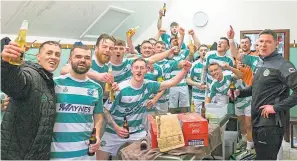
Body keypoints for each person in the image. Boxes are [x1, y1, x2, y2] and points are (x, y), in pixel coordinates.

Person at [97, 58, 192, 159]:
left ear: (146, 70)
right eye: (136, 67)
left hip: (137, 132)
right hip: (113, 132)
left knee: (146, 156)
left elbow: (172, 82)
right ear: (131, 70)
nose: (139, 70)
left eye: (142, 68)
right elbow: (105, 110)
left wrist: (185, 70)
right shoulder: (120, 89)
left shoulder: (149, 85)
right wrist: (116, 127)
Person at [229, 28, 297, 160]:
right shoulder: (260, 63)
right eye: (261, 41)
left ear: (276, 44)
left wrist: (275, 107)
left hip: (270, 123)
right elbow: (256, 88)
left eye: (268, 42)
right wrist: (239, 93)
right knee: (261, 156)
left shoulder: (283, 65)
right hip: (257, 119)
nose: (264, 45)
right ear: (257, 44)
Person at [1, 41, 62, 159]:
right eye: (49, 53)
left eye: (57, 54)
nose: (53, 57)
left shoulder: (48, 81)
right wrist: (7, 63)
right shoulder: (31, 74)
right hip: (17, 155)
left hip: (36, 154)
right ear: (38, 57)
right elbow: (14, 82)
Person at [51, 45, 111, 160]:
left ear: (90, 62)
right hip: (58, 153)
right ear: (69, 60)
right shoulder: (55, 83)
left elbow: (98, 116)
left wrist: (97, 136)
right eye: (78, 56)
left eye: (87, 57)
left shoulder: (96, 88)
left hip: (86, 154)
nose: (83, 60)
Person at [186, 44, 208, 113]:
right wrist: (197, 84)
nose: (203, 52)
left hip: (209, 96)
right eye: (201, 50)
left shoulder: (212, 64)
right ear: (198, 52)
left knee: (209, 118)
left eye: (205, 50)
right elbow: (187, 80)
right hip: (197, 97)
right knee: (197, 119)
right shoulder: (194, 65)